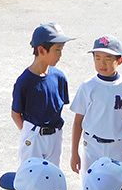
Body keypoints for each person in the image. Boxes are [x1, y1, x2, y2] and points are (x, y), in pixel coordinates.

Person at [69, 35, 122, 190]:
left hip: (117, 145)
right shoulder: (88, 86)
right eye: (97, 58)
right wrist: (74, 153)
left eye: (108, 58)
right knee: (86, 188)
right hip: (92, 144)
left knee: (116, 188)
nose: (102, 63)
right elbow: (78, 122)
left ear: (119, 60)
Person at [11, 23, 74, 171]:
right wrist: (31, 133)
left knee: (52, 178)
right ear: (41, 50)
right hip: (34, 137)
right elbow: (16, 114)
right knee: (30, 179)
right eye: (57, 50)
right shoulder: (24, 81)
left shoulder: (59, 77)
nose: (60, 55)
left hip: (55, 137)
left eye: (61, 50)